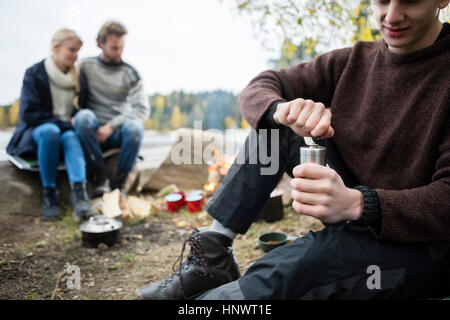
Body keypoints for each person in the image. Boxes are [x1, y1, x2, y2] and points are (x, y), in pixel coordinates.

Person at [136, 0, 450, 300]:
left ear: (441, 1)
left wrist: (361, 204)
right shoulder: (352, 61)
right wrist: (283, 111)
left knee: (298, 266)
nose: (391, 16)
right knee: (276, 122)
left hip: (425, 243)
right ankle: (213, 255)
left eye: (409, 1)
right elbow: (259, 86)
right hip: (357, 206)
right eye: (382, 1)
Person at [6, 29, 91, 221]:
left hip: (66, 133)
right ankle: (49, 193)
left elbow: (82, 110)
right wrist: (64, 123)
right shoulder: (34, 73)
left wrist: (72, 124)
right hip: (39, 132)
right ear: (56, 48)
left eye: (78, 51)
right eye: (72, 50)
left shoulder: (78, 78)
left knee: (71, 136)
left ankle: (79, 193)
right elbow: (28, 113)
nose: (76, 55)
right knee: (52, 131)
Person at [74, 20, 150, 199]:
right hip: (90, 129)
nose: (119, 52)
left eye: (122, 47)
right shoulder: (84, 66)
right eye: (114, 48)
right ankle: (99, 178)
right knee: (83, 117)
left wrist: (111, 126)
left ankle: (119, 184)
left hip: (117, 131)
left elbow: (142, 109)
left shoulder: (130, 73)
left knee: (135, 128)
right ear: (101, 43)